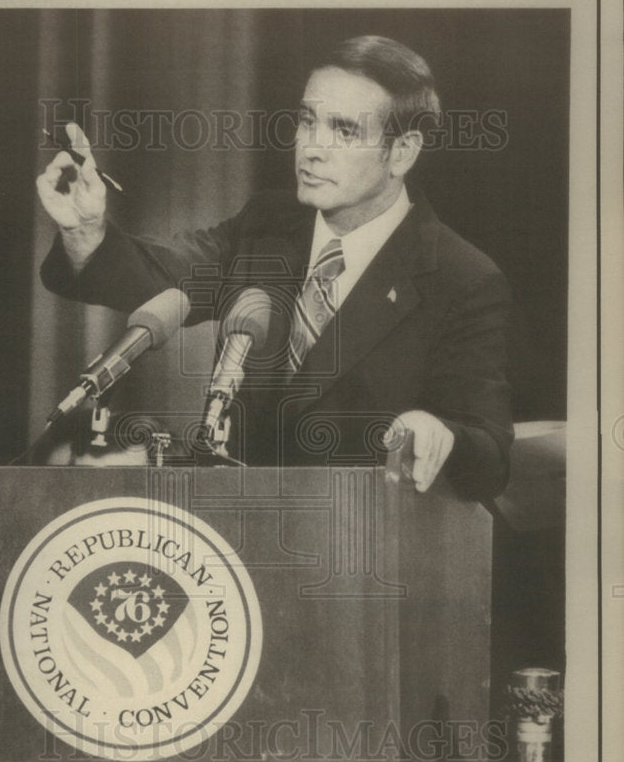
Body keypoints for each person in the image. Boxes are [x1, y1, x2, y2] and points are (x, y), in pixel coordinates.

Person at [37, 35, 512, 499]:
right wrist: (84, 230)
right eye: (308, 121)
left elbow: (490, 456)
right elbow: (163, 275)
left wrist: (438, 432)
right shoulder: (267, 224)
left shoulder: (461, 278)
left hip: (356, 555)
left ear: (402, 152)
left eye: (343, 131)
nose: (311, 147)